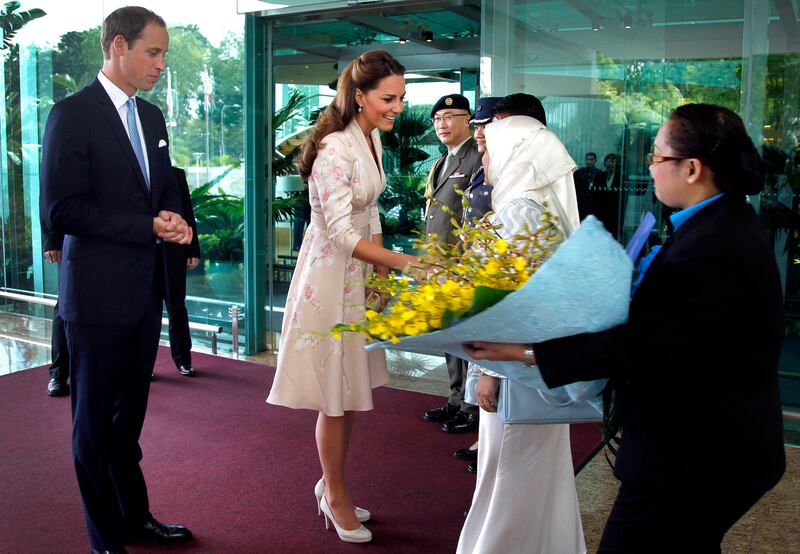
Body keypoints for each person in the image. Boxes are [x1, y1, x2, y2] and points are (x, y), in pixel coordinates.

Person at [465, 104, 786, 553]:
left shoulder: (715, 245)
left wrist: (525, 350)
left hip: (699, 451)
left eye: (657, 158)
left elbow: (642, 344)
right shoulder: (721, 224)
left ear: (692, 168)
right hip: (714, 442)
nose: (650, 169)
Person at [39, 7, 194, 552]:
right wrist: (145, 225)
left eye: (164, 55)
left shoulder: (151, 118)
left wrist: (174, 215)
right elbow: (62, 210)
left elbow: (164, 186)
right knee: (93, 429)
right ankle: (105, 539)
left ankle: (135, 516)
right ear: (119, 47)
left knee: (128, 423)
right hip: (95, 297)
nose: (161, 65)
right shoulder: (71, 114)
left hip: (141, 294)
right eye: (154, 53)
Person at [267, 49, 417, 544]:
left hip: (358, 274)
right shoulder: (335, 148)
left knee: (348, 392)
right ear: (359, 96)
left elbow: (367, 216)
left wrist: (379, 274)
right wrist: (400, 263)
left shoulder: (369, 137)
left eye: (400, 98)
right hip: (331, 277)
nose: (397, 107)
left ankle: (330, 484)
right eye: (387, 98)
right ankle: (333, 494)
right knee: (334, 397)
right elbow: (336, 232)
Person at [456, 101, 586, 554]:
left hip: (514, 368)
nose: (484, 159)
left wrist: (489, 373)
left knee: (511, 472)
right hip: (535, 363)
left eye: (490, 151)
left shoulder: (519, 213)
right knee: (533, 472)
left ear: (513, 154)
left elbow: (514, 300)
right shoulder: (534, 207)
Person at [422, 93, 483, 434]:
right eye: (437, 119)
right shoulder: (441, 162)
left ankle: (472, 406)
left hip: (459, 264)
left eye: (449, 117)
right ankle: (456, 398)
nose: (442, 125)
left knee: (464, 334)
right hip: (438, 263)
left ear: (468, 120)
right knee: (449, 334)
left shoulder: (476, 158)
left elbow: (475, 215)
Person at [452, 96, 501, 470]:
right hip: (472, 267)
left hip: (492, 274)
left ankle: (490, 438)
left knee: (487, 354)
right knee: (473, 352)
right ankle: (482, 434)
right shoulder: (482, 169)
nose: (480, 133)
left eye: (487, 125)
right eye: (479, 126)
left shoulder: (504, 172)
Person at [159, 165, 200, 377]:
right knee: (147, 311)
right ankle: (143, 365)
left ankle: (183, 360)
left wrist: (193, 249)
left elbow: (187, 212)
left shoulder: (176, 174)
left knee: (176, 306)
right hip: (142, 254)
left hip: (173, 251)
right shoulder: (132, 173)